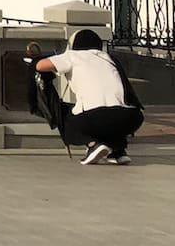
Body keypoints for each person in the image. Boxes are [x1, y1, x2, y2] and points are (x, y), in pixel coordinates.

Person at [35, 29, 143, 166]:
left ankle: (93, 144)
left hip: (95, 118)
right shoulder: (108, 58)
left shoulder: (72, 56)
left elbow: (40, 65)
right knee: (111, 113)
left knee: (64, 114)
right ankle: (118, 151)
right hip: (131, 117)